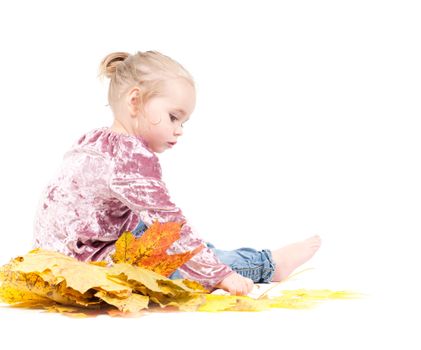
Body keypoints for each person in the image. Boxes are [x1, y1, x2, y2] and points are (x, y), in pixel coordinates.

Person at [32, 50, 321, 296]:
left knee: (163, 239)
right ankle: (266, 265)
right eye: (174, 117)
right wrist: (218, 274)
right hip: (90, 269)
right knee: (176, 260)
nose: (180, 130)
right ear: (135, 101)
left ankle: (223, 259)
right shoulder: (129, 156)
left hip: (55, 258)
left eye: (184, 121)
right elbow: (169, 225)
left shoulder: (94, 139)